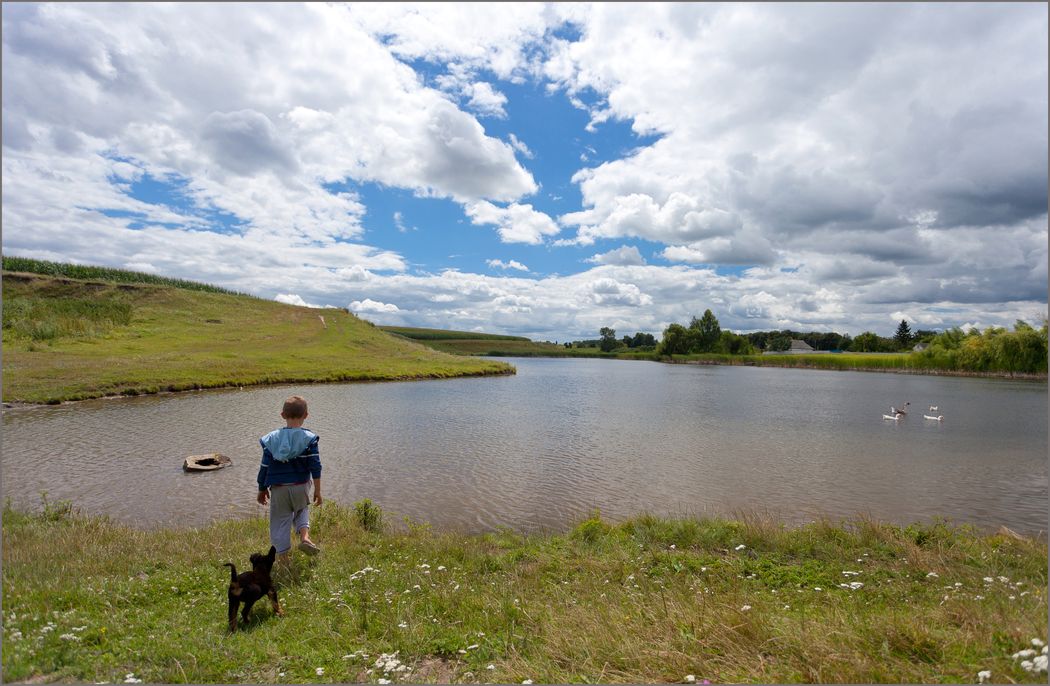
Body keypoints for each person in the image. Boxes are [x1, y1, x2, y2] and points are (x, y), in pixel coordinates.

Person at [257, 394, 322, 564]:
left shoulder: (272, 440)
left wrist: (261, 488)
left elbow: (265, 467)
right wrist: (318, 491)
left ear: (282, 415)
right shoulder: (309, 439)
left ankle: (284, 559)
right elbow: (315, 466)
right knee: (301, 510)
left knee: (280, 521)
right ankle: (305, 537)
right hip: (301, 485)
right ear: (306, 415)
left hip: (278, 488)